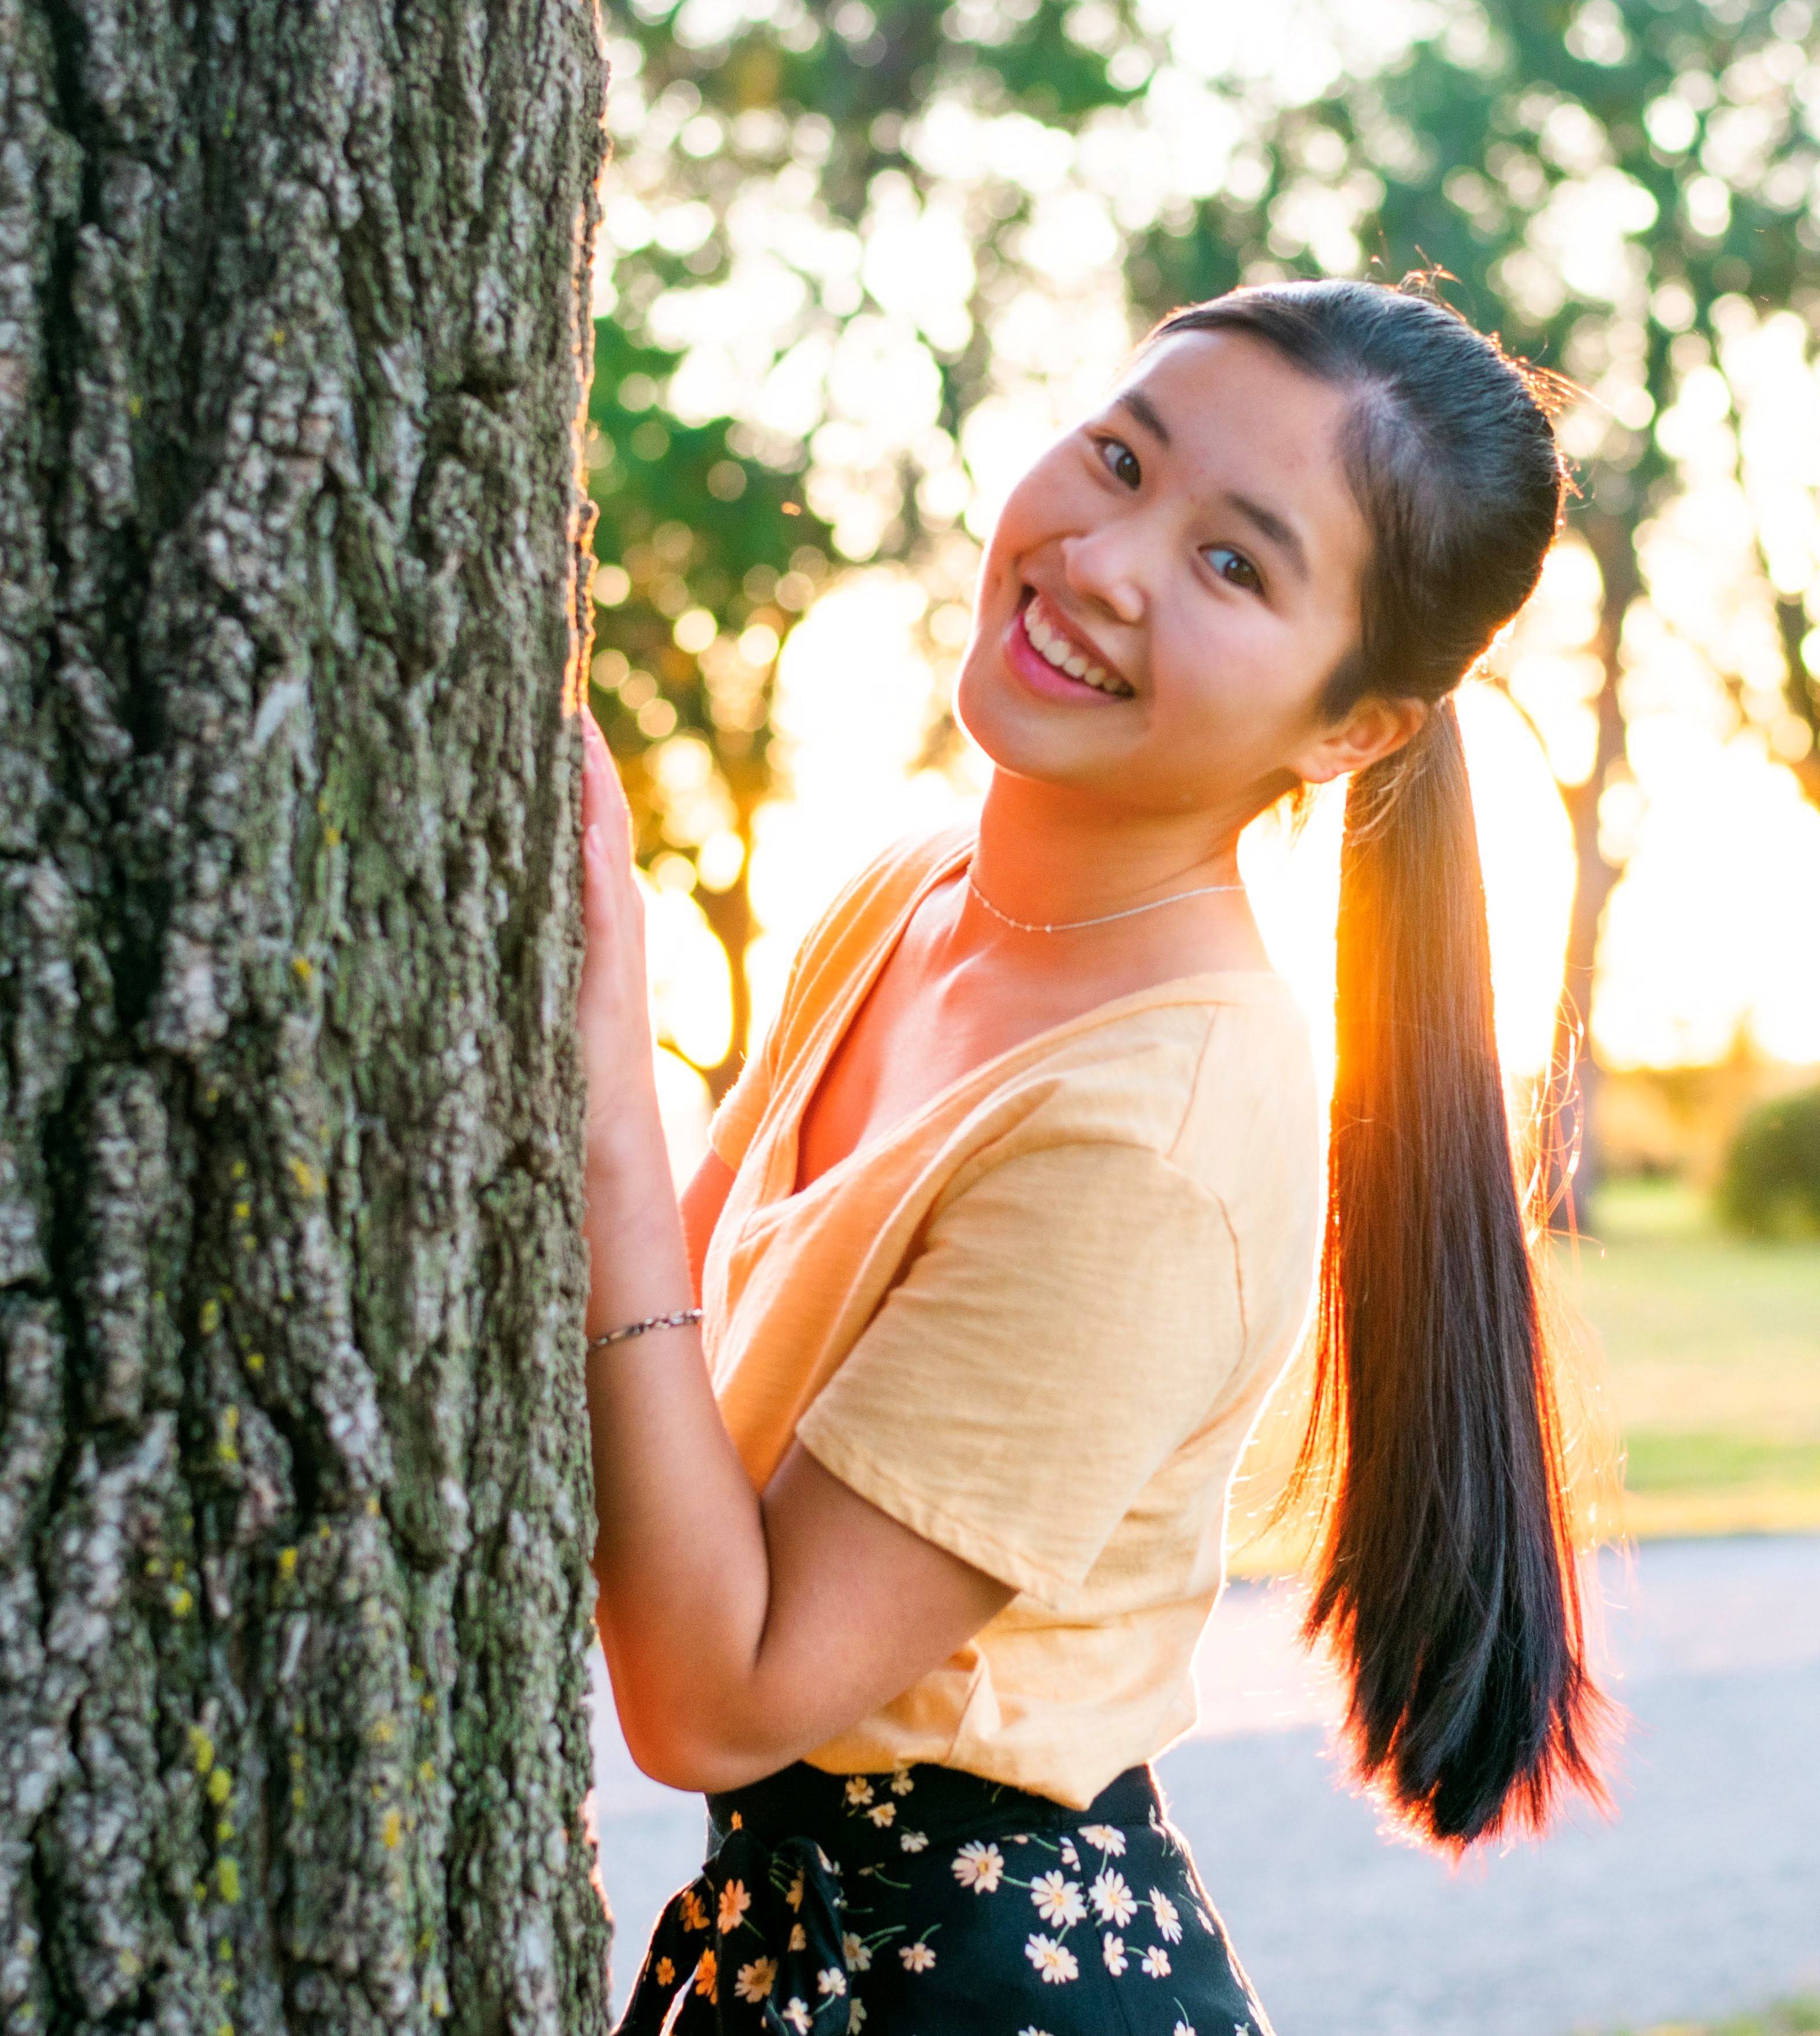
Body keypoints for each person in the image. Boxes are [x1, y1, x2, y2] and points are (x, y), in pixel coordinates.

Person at [575, 277, 1610, 2035]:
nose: (1106, 560)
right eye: (1121, 458)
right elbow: (642, 1383)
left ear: (1352, 726)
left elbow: (718, 1696)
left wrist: (603, 1081)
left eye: (1234, 564)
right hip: (798, 1954)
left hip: (980, 1991)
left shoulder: (1159, 1135)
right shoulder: (909, 894)